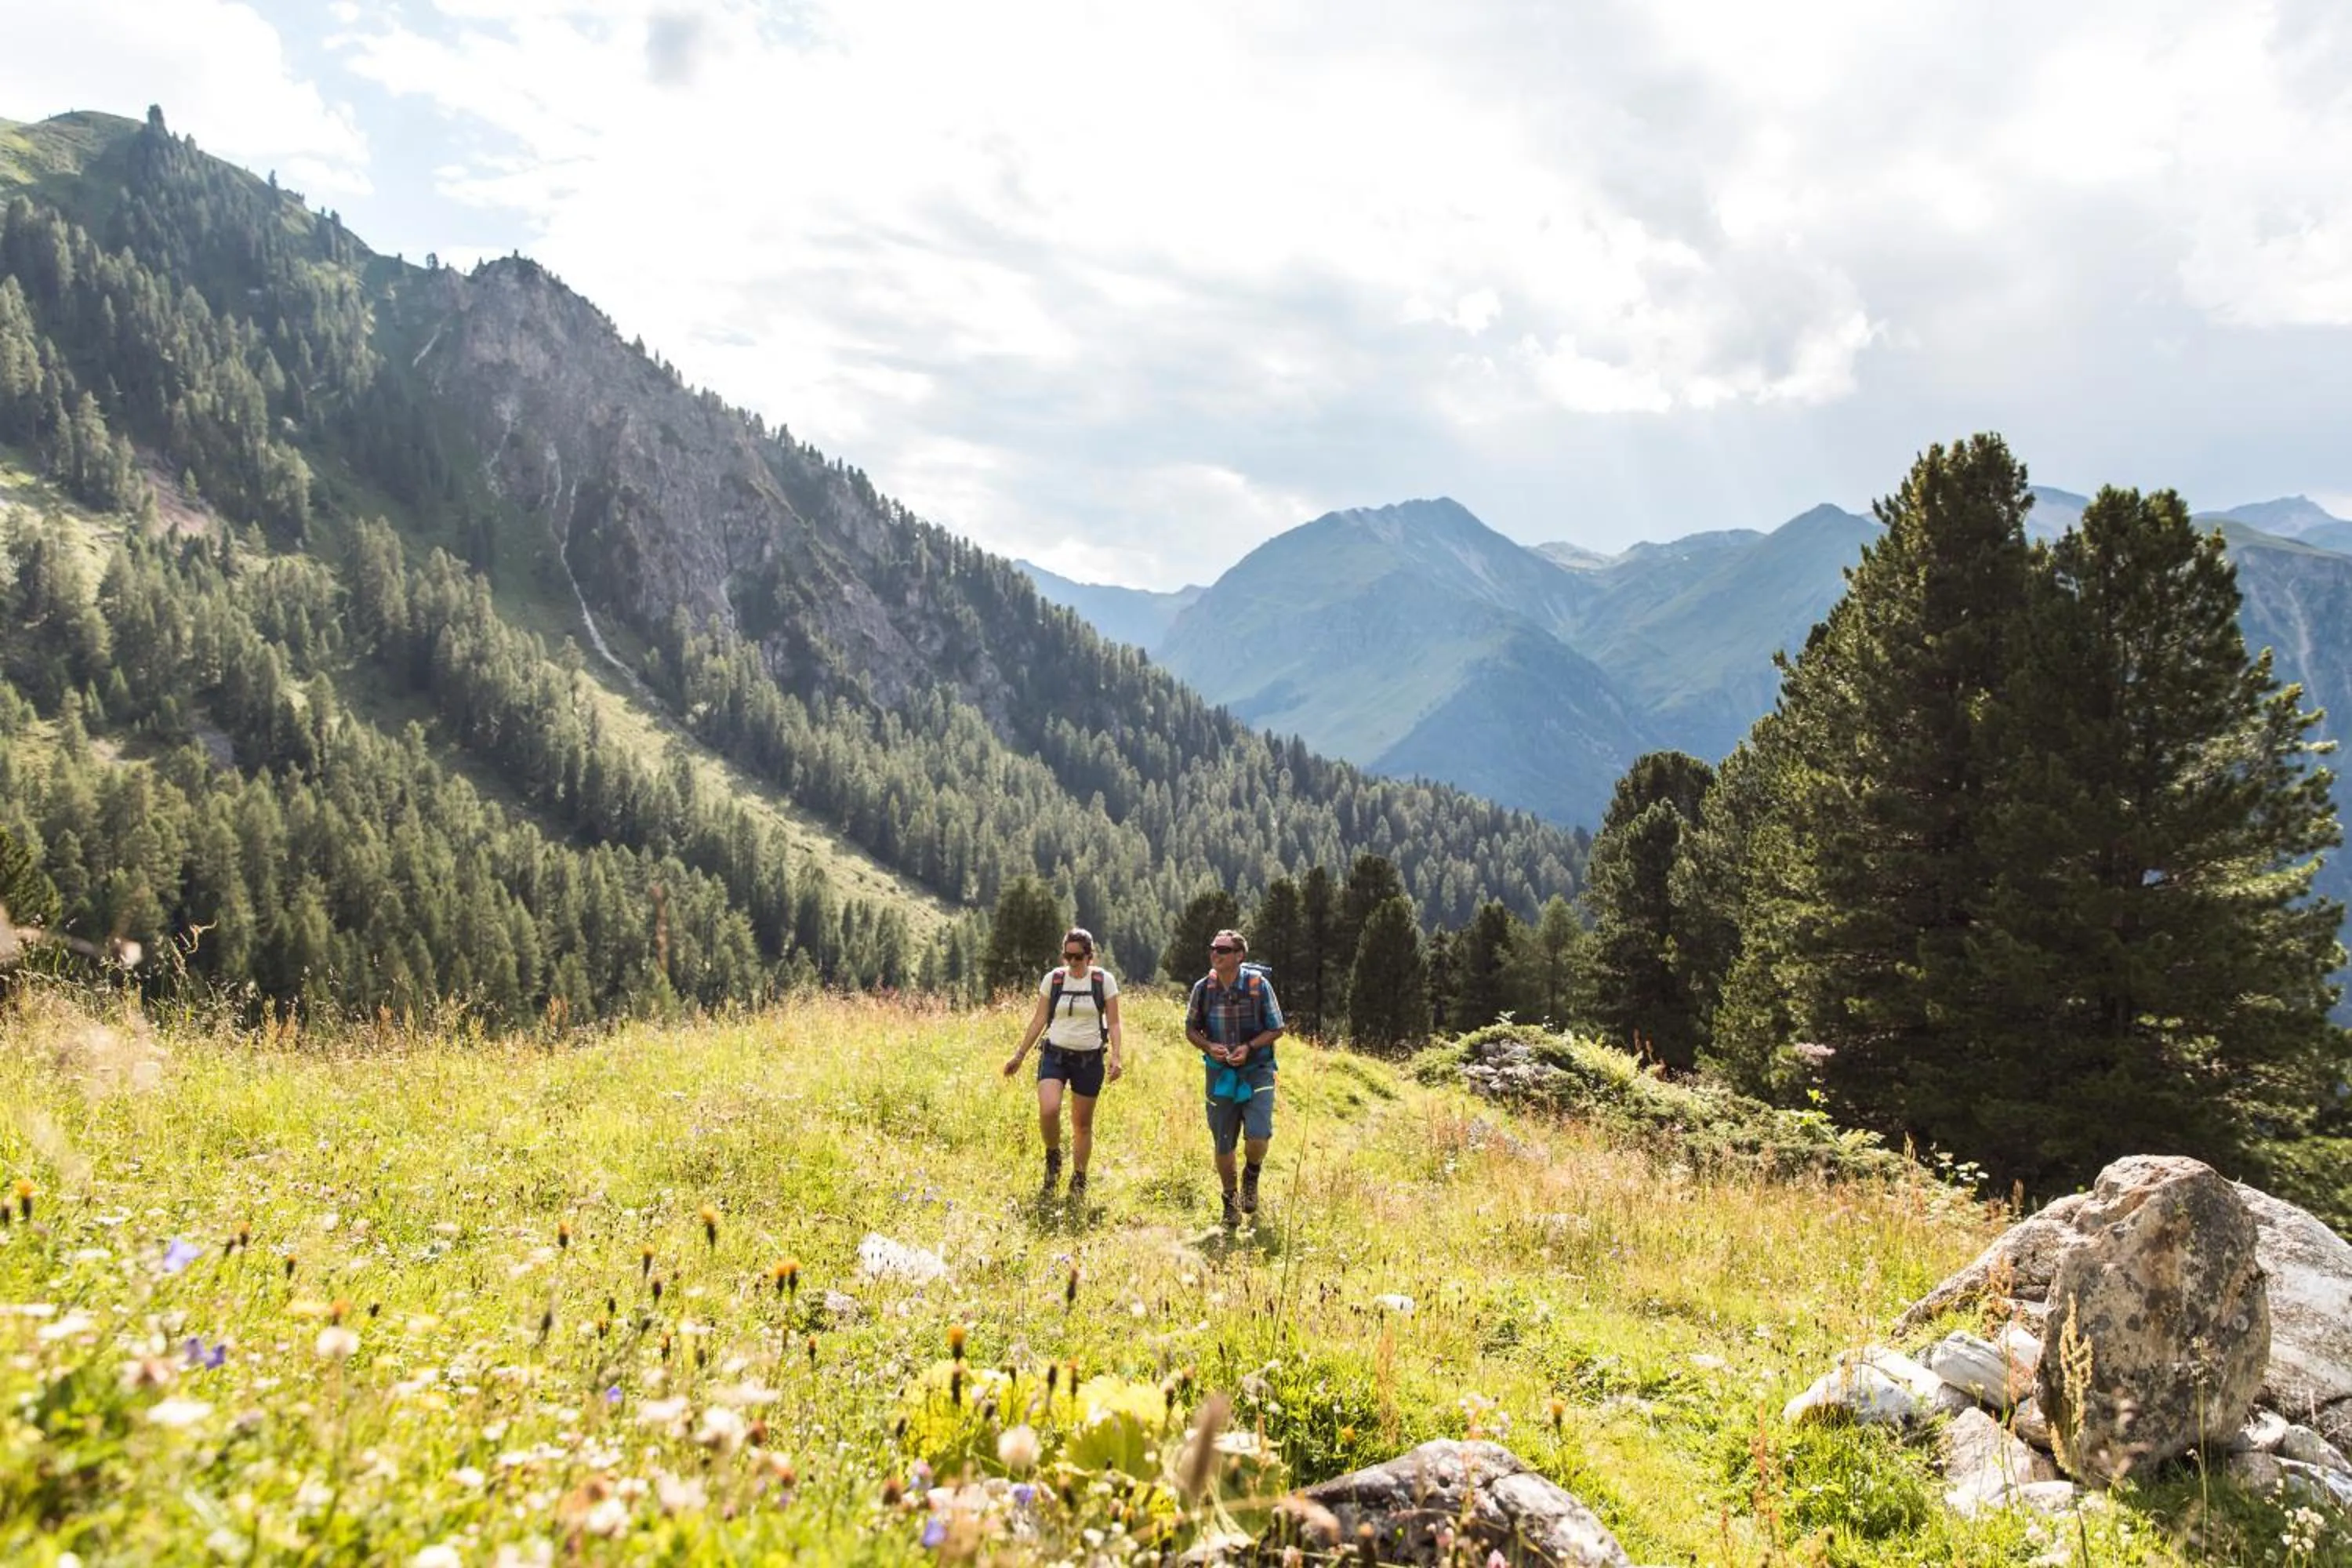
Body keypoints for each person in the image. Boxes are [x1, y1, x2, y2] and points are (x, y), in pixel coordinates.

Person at [1002, 927, 1124, 1203]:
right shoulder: (1054, 979)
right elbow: (1039, 1019)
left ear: (1090, 957)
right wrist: (1019, 1055)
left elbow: (1114, 1022)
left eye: (1077, 957)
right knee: (1049, 1109)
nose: (1071, 962)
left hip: (1089, 1058)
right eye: (1066, 956)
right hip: (1054, 1054)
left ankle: (1079, 1178)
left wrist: (1116, 1057)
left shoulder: (1104, 981)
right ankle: (1053, 1156)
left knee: (1082, 1124)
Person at [1185, 928, 1284, 1228]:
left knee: (1258, 1134)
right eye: (1213, 948)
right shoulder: (1203, 988)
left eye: (1223, 950)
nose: (1216, 953)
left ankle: (1251, 1174)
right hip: (1219, 1074)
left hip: (1258, 1071)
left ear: (1239, 956)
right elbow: (1190, 1029)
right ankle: (1230, 1203)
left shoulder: (1258, 985)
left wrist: (1249, 1047)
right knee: (1223, 1143)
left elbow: (1277, 1027)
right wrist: (1208, 1046)